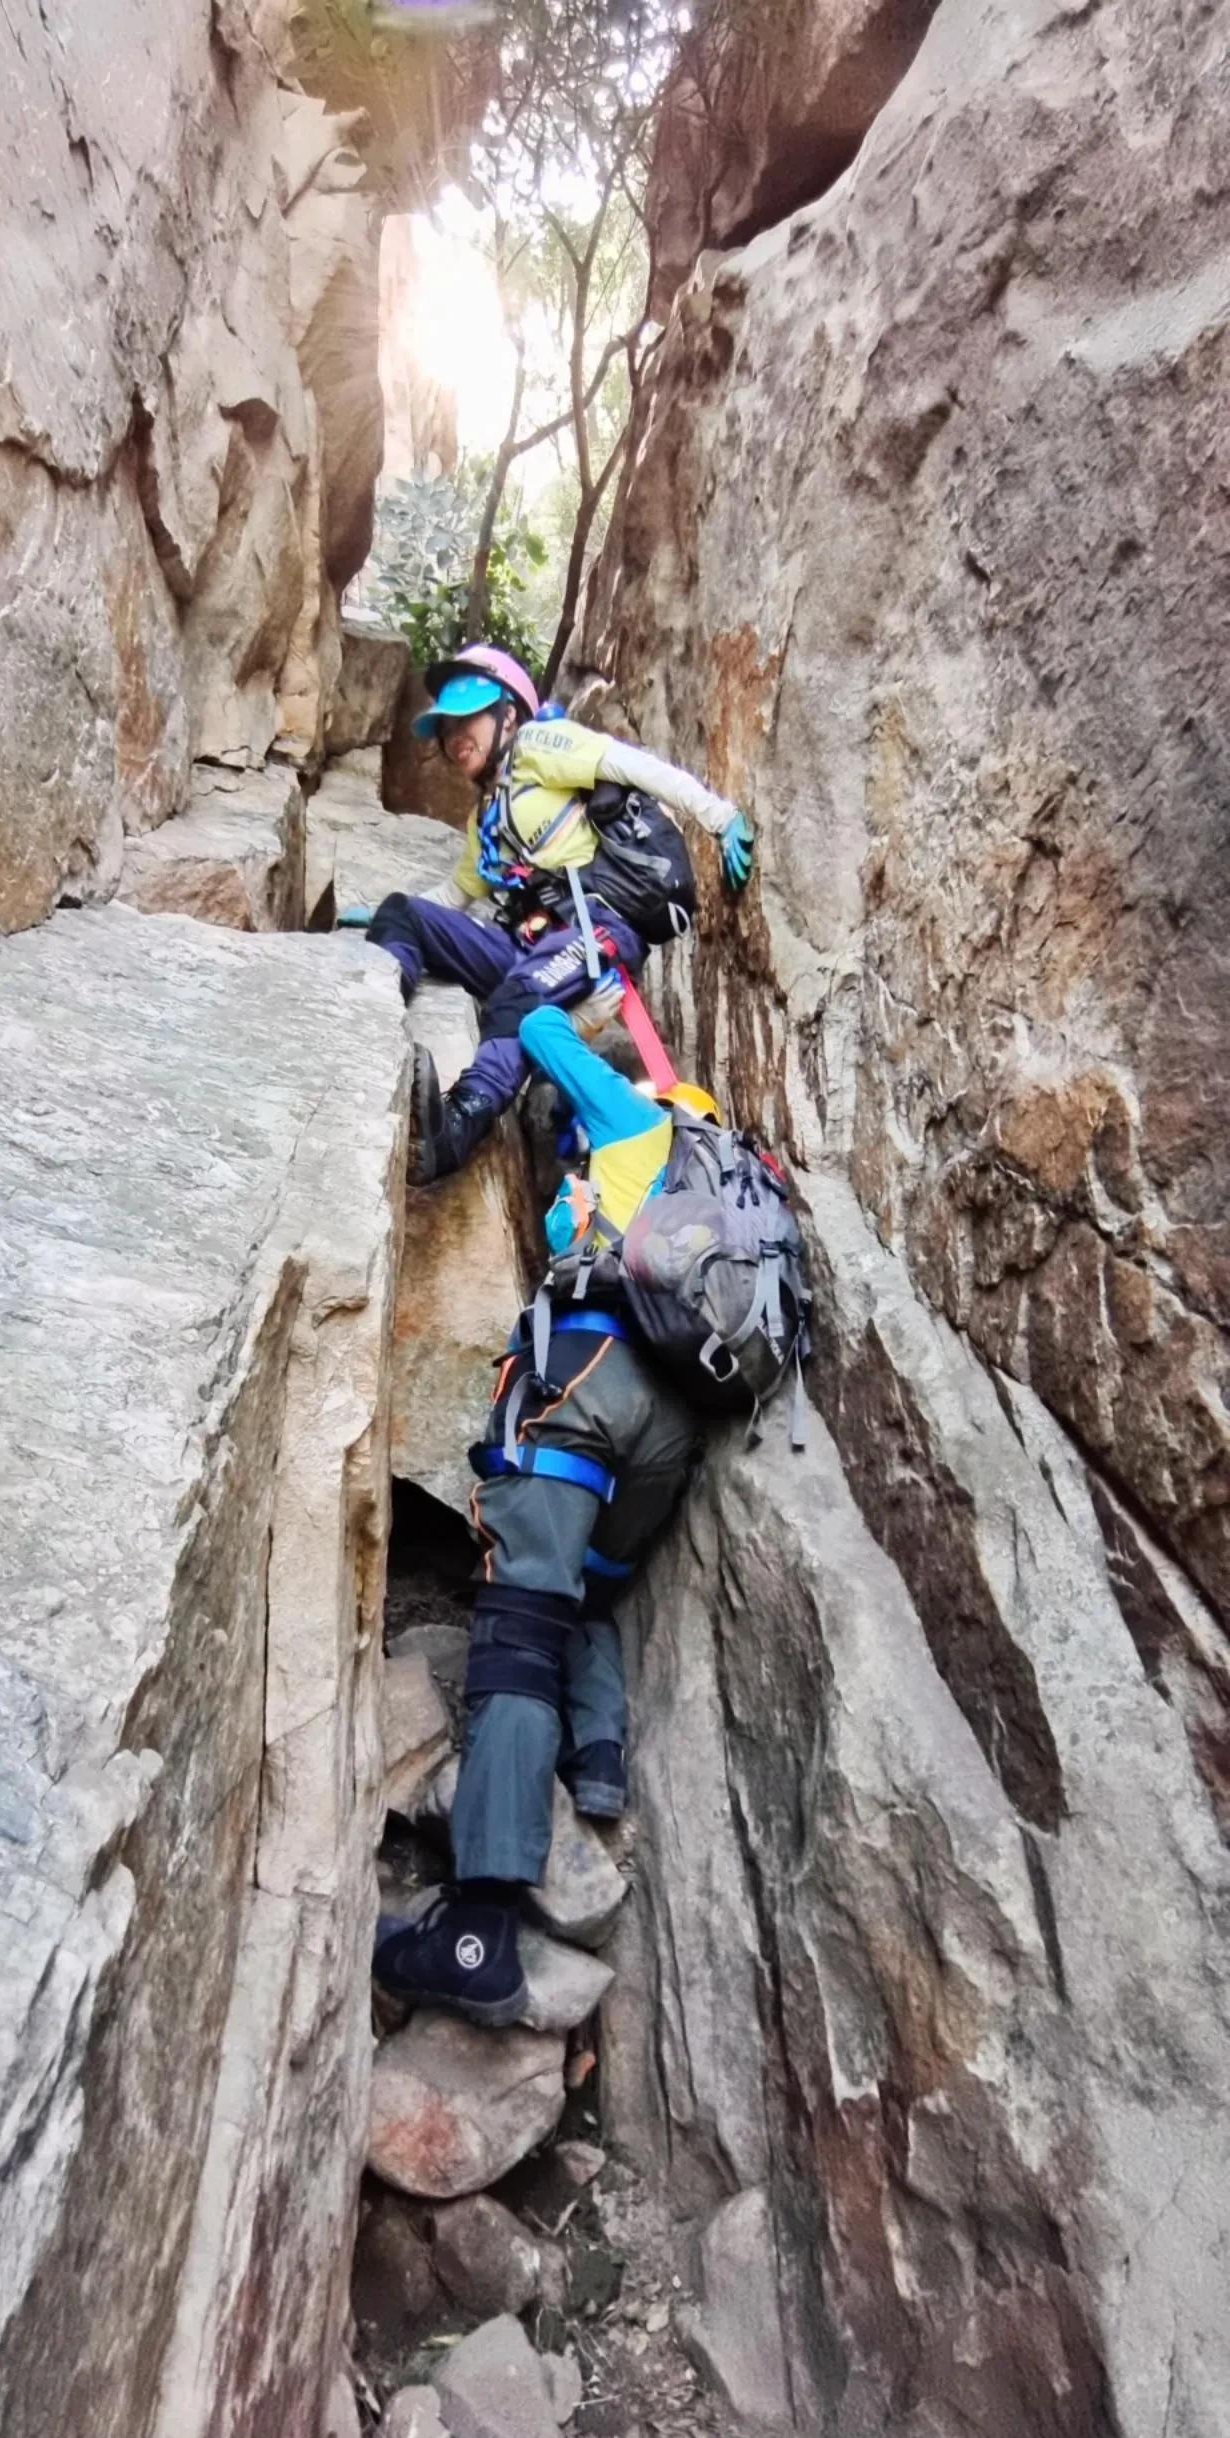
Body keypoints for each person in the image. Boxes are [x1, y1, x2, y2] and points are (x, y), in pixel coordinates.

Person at [373, 1003, 720, 2026]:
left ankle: (478, 1929)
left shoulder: (637, 1123)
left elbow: (536, 1029)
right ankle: (598, 1762)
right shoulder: (718, 1186)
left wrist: (567, 996)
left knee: (518, 1626)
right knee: (590, 1584)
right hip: (673, 1423)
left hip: (590, 1381)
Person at [360, 645, 755, 1185]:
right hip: (530, 946)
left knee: (516, 1000)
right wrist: (376, 920)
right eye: (446, 728)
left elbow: (634, 766)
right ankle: (371, 1021)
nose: (454, 739)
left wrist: (721, 816)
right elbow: (457, 892)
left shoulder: (540, 746)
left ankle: (454, 1128)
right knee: (405, 914)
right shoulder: (489, 814)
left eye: (467, 718)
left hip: (594, 932)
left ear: (510, 714)